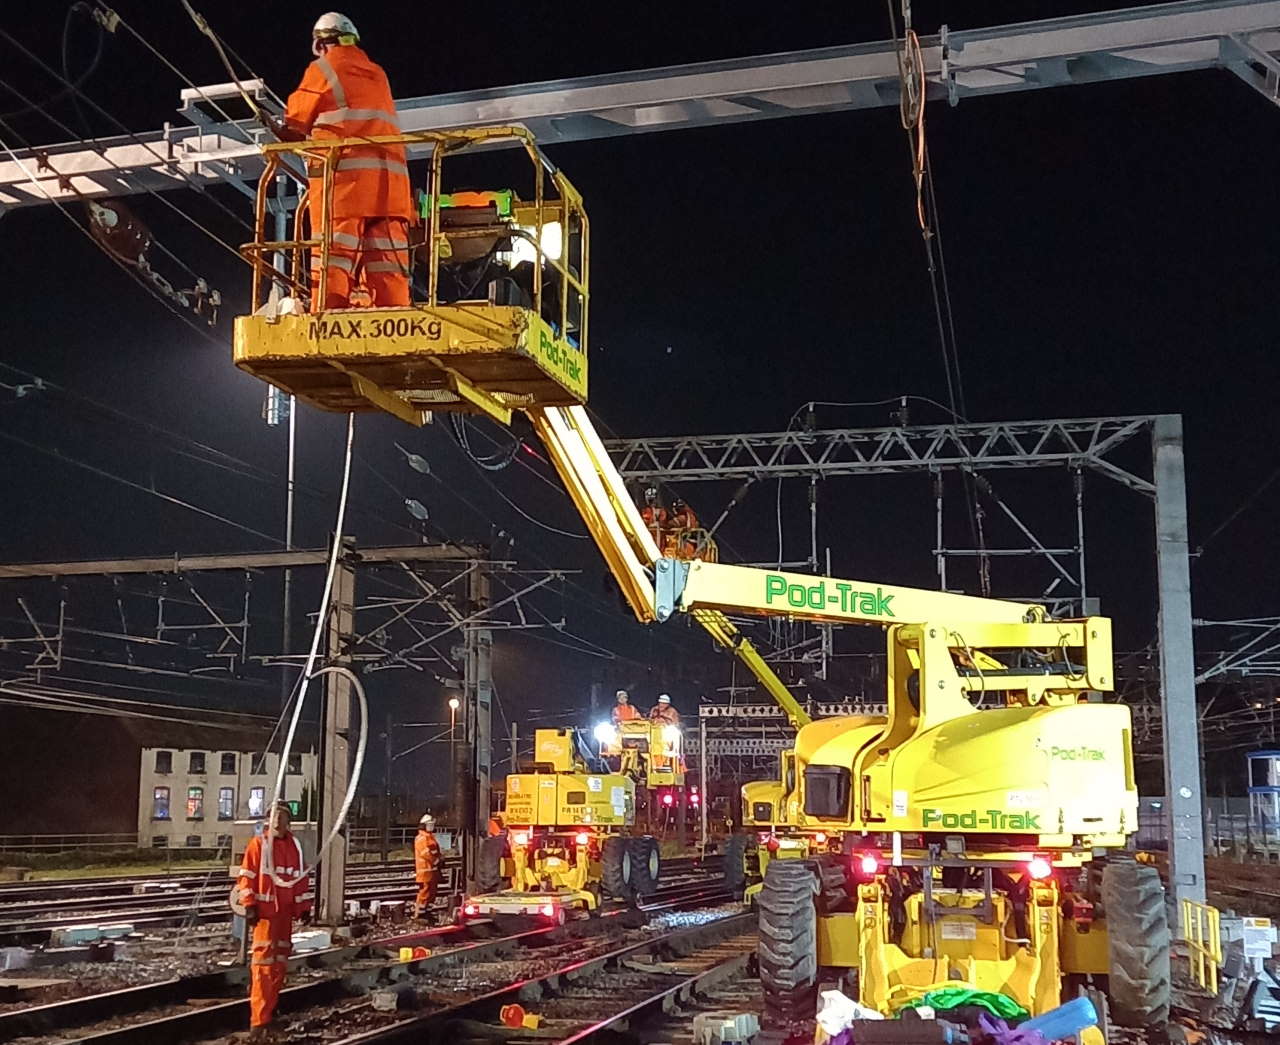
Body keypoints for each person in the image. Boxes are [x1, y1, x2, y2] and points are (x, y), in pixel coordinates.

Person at [279, 13, 413, 310]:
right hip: (390, 195)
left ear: (322, 43)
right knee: (388, 267)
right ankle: (395, 324)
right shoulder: (378, 73)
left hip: (344, 191)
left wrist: (282, 130)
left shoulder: (324, 69)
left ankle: (325, 324)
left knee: (332, 262)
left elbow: (296, 121)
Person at [236, 802, 312, 1038]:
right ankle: (258, 1022)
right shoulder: (259, 845)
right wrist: (249, 905)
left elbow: (299, 879)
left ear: (288, 820)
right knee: (263, 968)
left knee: (279, 965)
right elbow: (247, 876)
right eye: (274, 816)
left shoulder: (294, 847)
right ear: (268, 819)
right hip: (266, 916)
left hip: (284, 916)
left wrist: (303, 907)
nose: (278, 820)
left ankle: (269, 1014)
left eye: (282, 816)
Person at [413, 813, 441, 920]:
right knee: (424, 893)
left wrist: (440, 858)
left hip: (432, 871)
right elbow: (425, 853)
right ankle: (420, 915)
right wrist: (436, 861)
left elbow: (435, 851)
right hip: (425, 871)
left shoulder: (430, 837)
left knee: (432, 893)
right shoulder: (421, 838)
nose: (432, 826)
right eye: (430, 824)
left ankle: (427, 913)